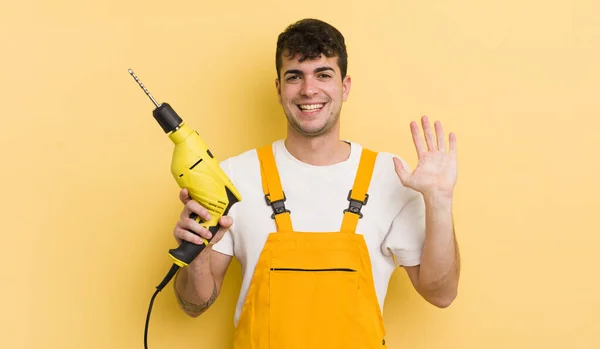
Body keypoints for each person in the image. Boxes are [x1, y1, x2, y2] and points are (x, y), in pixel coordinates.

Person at [172, 18, 460, 348]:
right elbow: (195, 303)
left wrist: (439, 201)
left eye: (323, 74)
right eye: (295, 76)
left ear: (345, 86)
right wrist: (197, 254)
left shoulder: (389, 176)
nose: (309, 89)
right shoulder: (235, 177)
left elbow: (441, 294)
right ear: (278, 88)